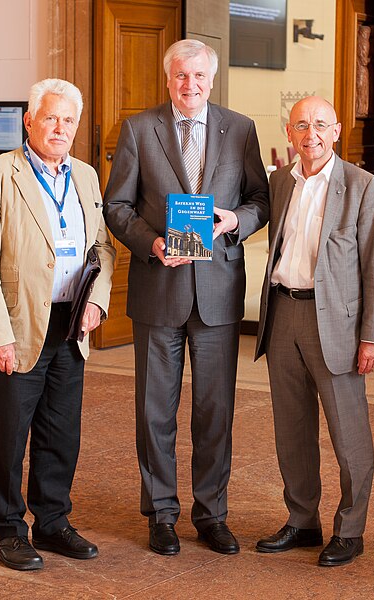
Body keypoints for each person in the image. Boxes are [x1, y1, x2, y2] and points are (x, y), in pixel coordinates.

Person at [103, 39, 269, 556]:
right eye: (181, 77)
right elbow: (116, 206)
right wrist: (150, 243)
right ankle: (161, 513)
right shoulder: (137, 129)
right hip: (158, 289)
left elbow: (260, 200)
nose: (190, 86)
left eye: (199, 76)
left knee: (214, 412)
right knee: (155, 409)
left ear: (211, 79)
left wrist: (234, 222)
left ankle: (211, 514)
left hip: (218, 293)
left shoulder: (240, 128)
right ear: (168, 79)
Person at [0, 78, 115, 571]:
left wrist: (97, 302)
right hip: (17, 327)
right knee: (10, 436)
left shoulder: (87, 176)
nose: (60, 128)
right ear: (29, 120)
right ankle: (6, 528)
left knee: (60, 432)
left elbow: (103, 249)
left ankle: (52, 522)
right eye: (51, 117)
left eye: (69, 120)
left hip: (72, 325)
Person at [255, 96, 374, 567]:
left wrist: (373, 336)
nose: (309, 134)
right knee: (291, 431)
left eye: (319, 125)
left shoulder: (361, 186)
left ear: (335, 131)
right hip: (282, 315)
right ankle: (302, 520)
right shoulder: (279, 182)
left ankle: (350, 529)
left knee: (349, 435)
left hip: (337, 324)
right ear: (289, 135)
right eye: (300, 126)